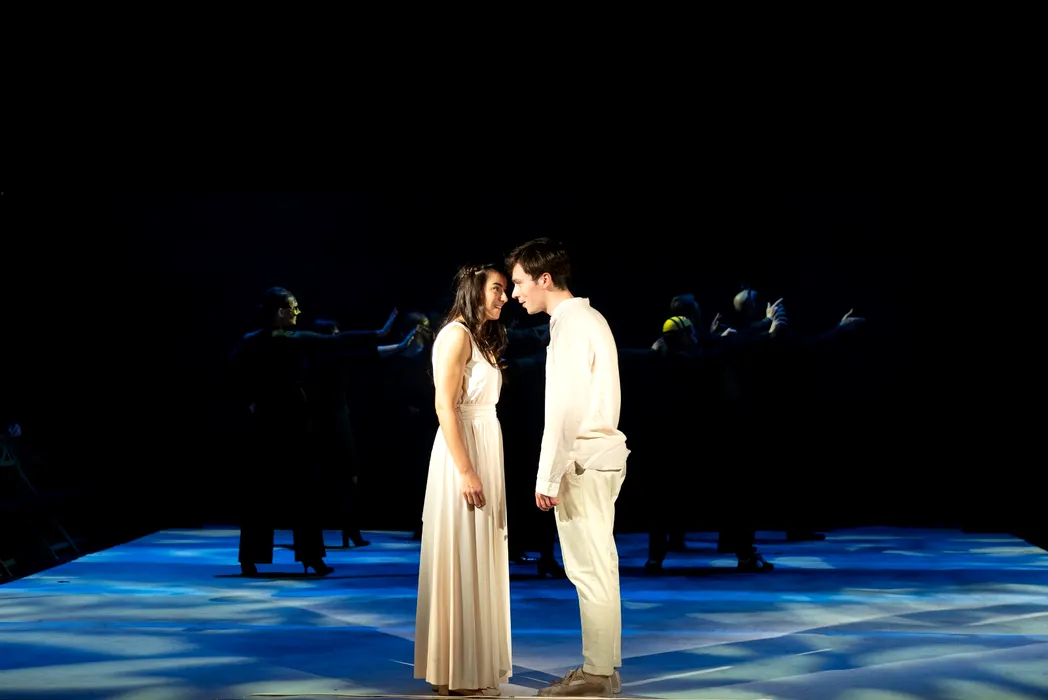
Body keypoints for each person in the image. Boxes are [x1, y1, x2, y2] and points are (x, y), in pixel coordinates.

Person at [506, 238, 627, 697]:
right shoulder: (587, 318)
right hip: (599, 457)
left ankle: (597, 674)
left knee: (589, 570)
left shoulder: (572, 324)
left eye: (519, 282)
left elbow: (564, 409)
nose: (515, 293)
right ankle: (603, 669)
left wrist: (548, 475)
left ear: (544, 278)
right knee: (599, 567)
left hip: (584, 460)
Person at [229, 287, 411, 576]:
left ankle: (254, 559)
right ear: (280, 312)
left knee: (264, 492)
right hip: (288, 421)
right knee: (299, 491)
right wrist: (378, 333)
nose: (298, 312)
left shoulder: (252, 342)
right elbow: (336, 341)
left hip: (271, 422)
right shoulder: (285, 341)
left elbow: (234, 379)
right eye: (293, 307)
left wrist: (251, 403)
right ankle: (309, 558)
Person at [414, 264, 512, 697]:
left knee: (481, 553)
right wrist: (467, 470)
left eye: (505, 290)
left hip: (485, 442)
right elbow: (444, 406)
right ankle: (456, 670)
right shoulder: (456, 335)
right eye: (497, 289)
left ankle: (474, 664)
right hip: (464, 450)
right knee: (462, 553)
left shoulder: (480, 338)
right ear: (475, 290)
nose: (504, 297)